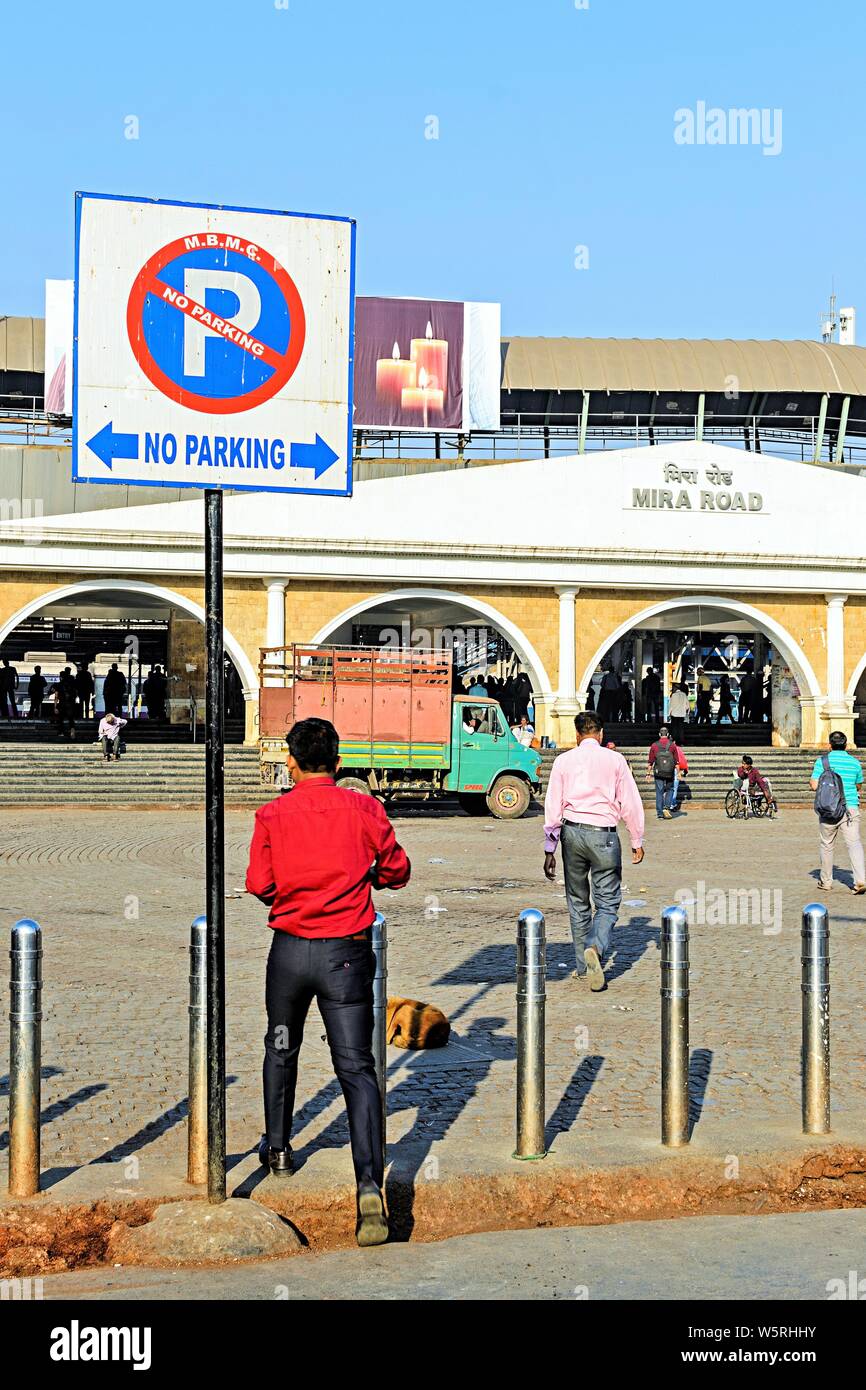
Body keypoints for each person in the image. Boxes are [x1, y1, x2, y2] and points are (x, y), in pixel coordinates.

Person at [246, 717, 411, 1246]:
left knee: (281, 1046)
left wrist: (293, 897)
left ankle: (278, 1149)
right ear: (338, 763)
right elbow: (397, 869)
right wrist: (364, 877)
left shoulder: (271, 814)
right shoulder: (364, 807)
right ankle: (368, 1182)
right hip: (346, 953)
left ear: (291, 762)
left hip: (290, 951)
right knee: (357, 1067)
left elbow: (258, 883)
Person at [543, 711, 645, 991]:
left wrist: (550, 847)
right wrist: (637, 838)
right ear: (601, 734)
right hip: (604, 835)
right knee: (608, 901)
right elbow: (630, 802)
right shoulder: (615, 761)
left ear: (577, 735)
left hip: (572, 832)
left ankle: (581, 966)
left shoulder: (563, 761)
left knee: (577, 901)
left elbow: (553, 805)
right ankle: (596, 947)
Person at [810, 731, 865, 894]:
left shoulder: (822, 762)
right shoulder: (855, 763)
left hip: (829, 809)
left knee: (827, 844)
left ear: (830, 745)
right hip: (850, 808)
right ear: (846, 745)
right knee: (854, 844)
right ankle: (860, 880)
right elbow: (858, 786)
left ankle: (826, 881)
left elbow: (814, 785)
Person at [647, 725, 684, 820]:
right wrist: (679, 773)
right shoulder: (672, 745)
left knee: (659, 792)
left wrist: (648, 773)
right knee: (670, 789)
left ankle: (660, 814)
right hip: (669, 772)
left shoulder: (654, 745)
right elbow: (676, 761)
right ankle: (666, 807)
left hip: (658, 772)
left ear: (659, 734)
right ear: (668, 735)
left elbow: (650, 761)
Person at [668, 681, 690, 746]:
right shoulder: (684, 695)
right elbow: (687, 706)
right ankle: (681, 741)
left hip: (674, 714)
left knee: (674, 727)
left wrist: (669, 714)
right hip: (681, 714)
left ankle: (674, 740)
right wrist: (685, 711)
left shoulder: (673, 695)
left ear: (675, 688)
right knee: (681, 728)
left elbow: (670, 705)